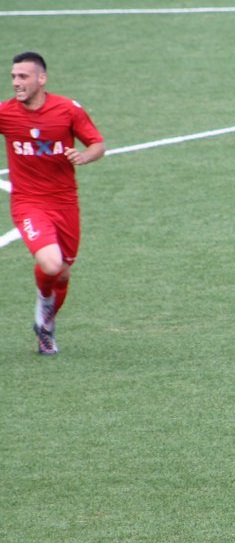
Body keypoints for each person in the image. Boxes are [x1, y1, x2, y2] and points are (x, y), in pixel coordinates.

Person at [0, 51, 105, 355]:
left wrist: (84, 156)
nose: (16, 82)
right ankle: (43, 306)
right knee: (51, 263)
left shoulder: (67, 110)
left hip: (65, 203)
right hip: (28, 203)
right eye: (13, 76)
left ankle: (46, 324)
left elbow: (98, 144)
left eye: (23, 76)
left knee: (62, 273)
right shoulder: (6, 113)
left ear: (41, 79)